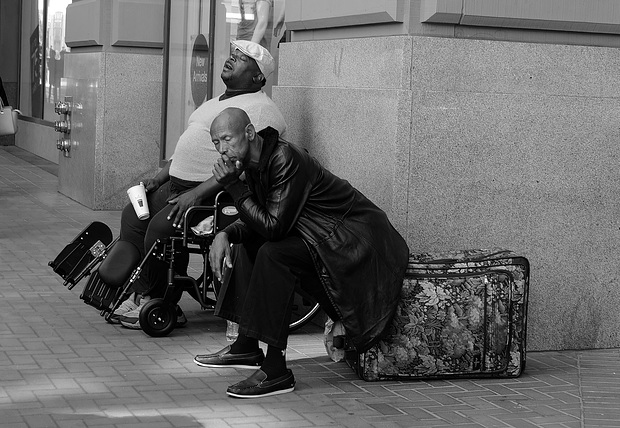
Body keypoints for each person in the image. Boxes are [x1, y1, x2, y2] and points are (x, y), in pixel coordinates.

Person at [193, 107, 409, 398]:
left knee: (273, 253)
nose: (222, 149)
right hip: (319, 237)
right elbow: (261, 217)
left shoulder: (284, 158)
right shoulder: (255, 163)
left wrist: (232, 185)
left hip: (352, 241)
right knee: (250, 245)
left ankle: (275, 370)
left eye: (227, 139)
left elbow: (273, 227)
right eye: (216, 143)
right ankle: (246, 346)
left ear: (249, 132)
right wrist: (225, 233)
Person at [113, 41, 286, 330]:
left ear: (258, 77)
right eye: (232, 55)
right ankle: (139, 290)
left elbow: (241, 168)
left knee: (160, 229)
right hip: (178, 185)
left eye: (241, 59)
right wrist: (161, 176)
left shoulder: (261, 110)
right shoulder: (216, 101)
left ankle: (162, 301)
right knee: (133, 215)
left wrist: (195, 194)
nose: (231, 60)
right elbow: (190, 144)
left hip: (214, 196)